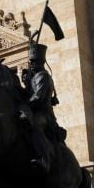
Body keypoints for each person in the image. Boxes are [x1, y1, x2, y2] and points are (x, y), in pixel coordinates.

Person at [21, 43, 64, 173]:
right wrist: (26, 82)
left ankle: (44, 160)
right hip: (33, 110)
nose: (32, 64)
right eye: (31, 61)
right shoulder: (33, 77)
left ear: (41, 62)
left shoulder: (43, 77)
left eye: (35, 62)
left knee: (35, 126)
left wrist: (23, 105)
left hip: (44, 114)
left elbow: (38, 98)